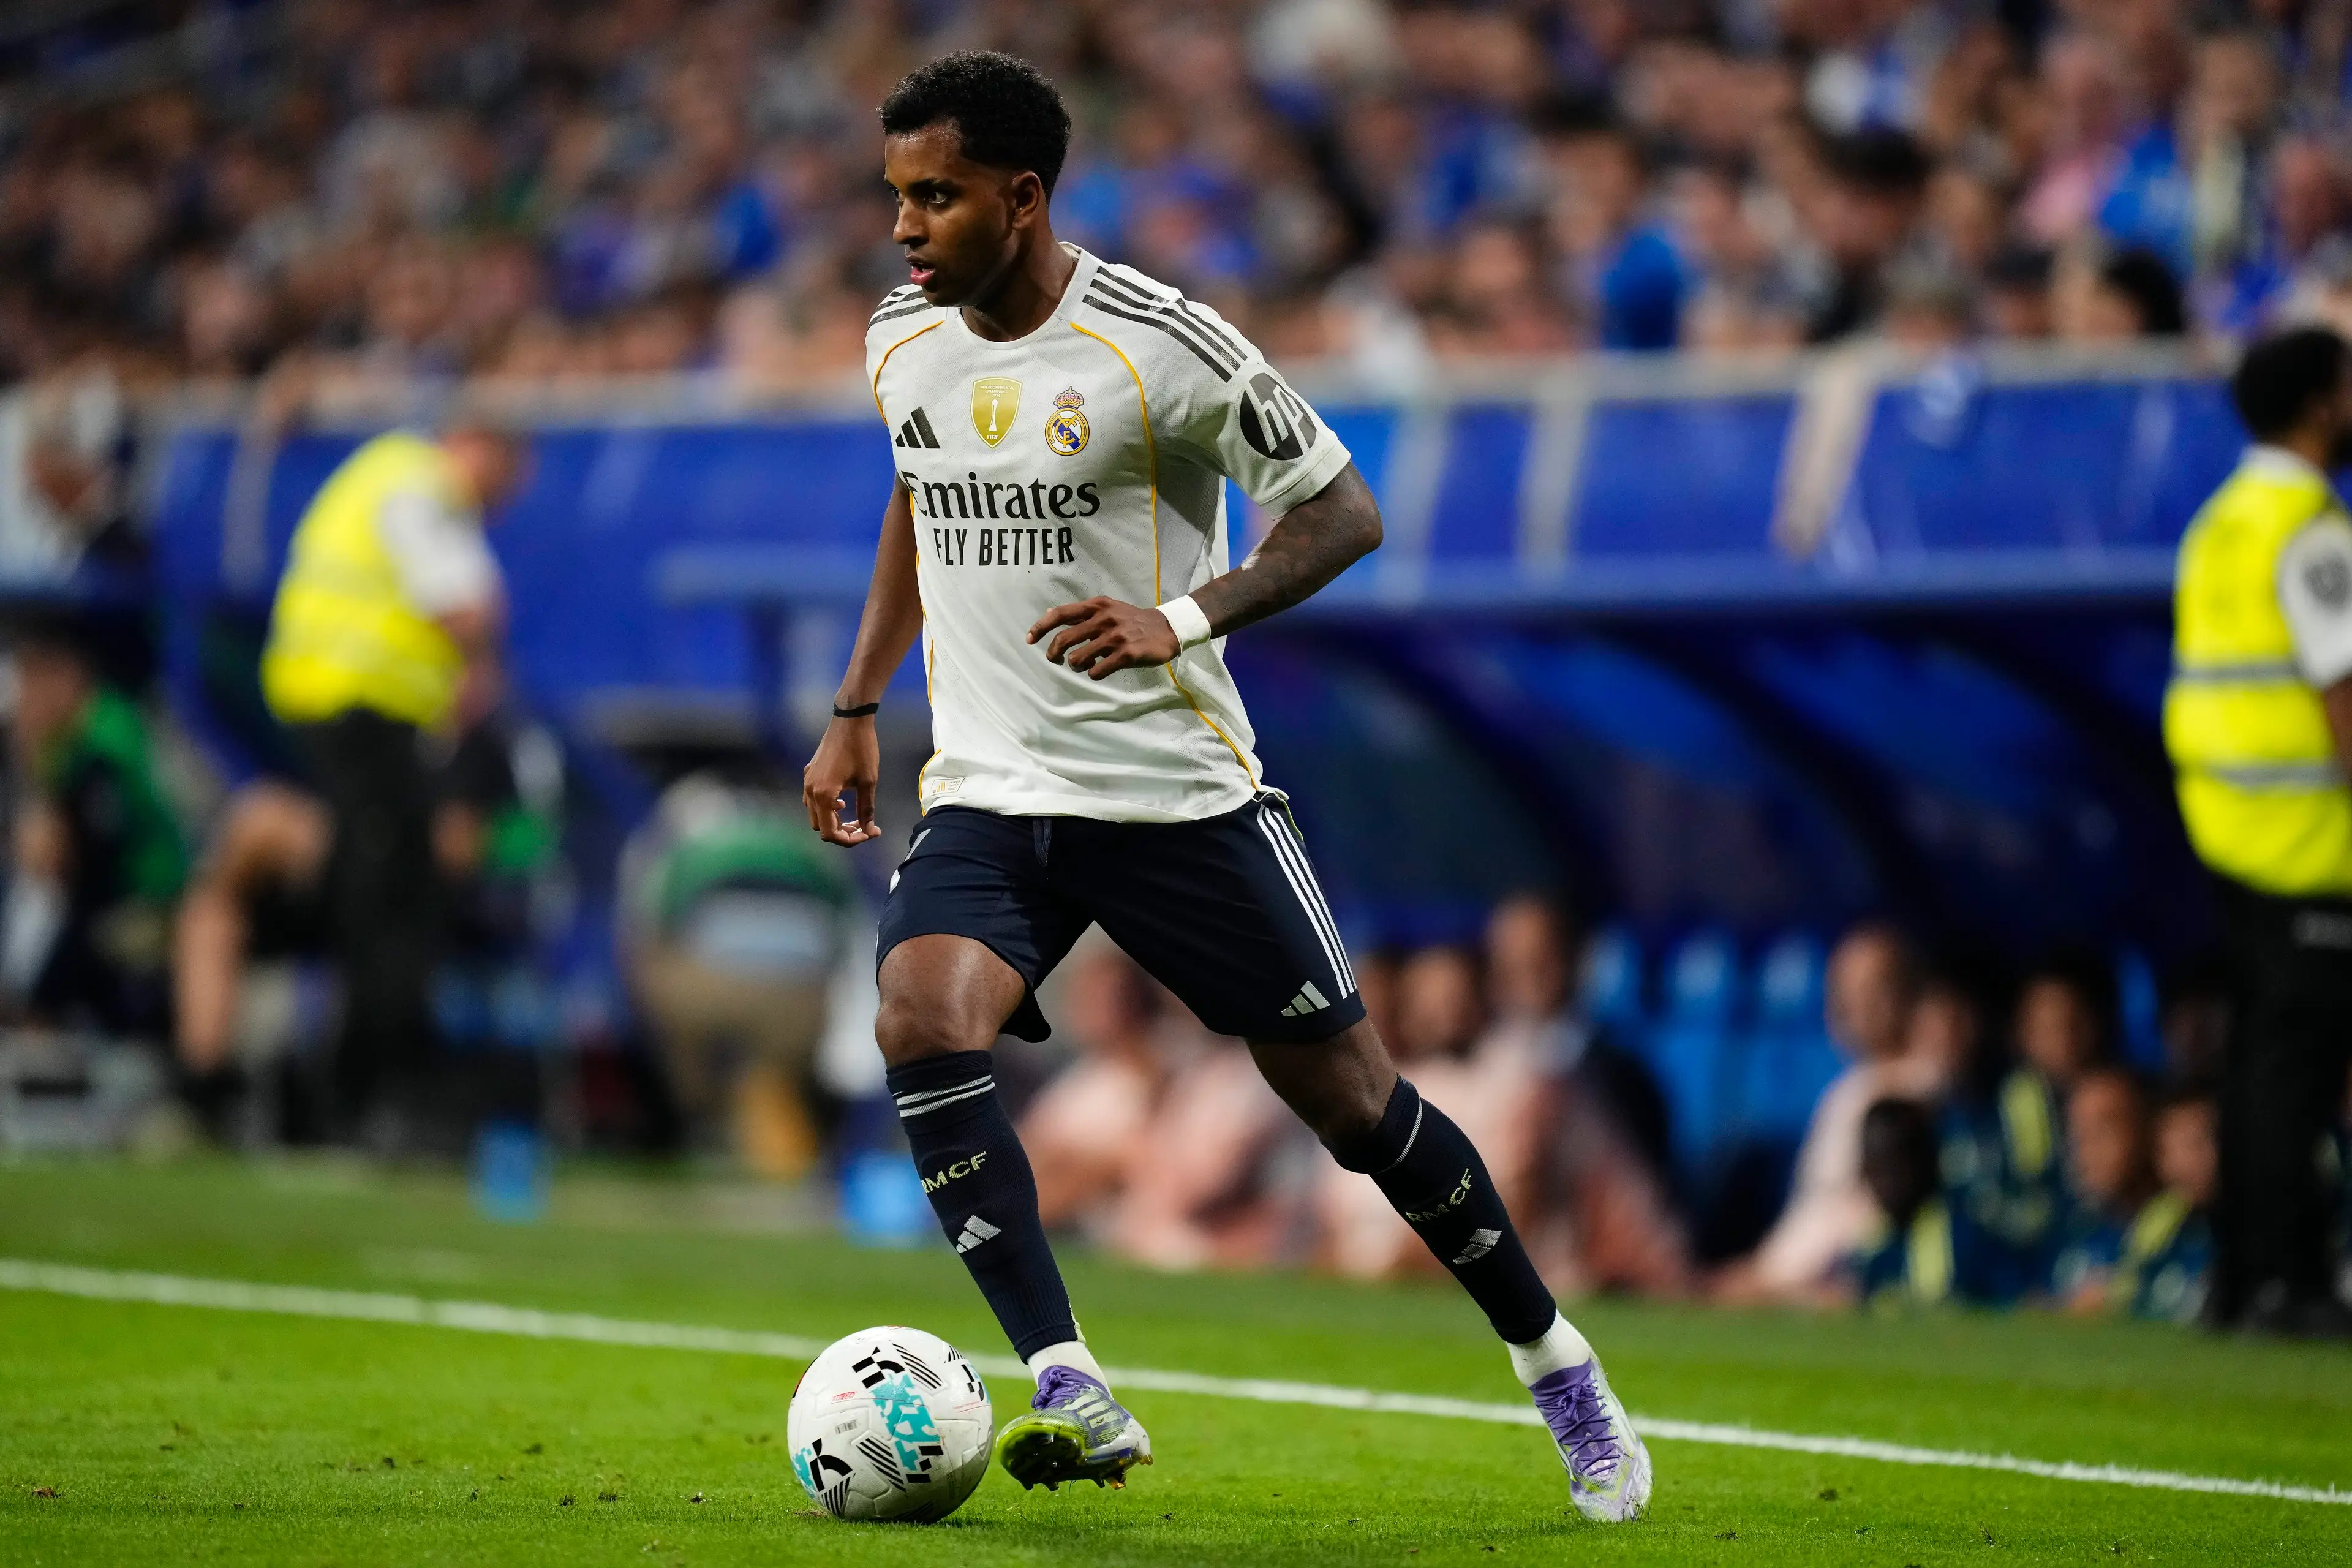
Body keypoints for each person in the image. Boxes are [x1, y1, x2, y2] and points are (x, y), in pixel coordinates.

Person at [800, 53, 1649, 1518]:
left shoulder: (1161, 344)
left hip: (1175, 797)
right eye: (897, 195)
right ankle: (1068, 1377)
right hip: (993, 786)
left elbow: (1343, 510)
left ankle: (1555, 1361)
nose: (904, 226)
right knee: (919, 1016)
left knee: (1356, 1106)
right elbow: (917, 488)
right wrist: (856, 702)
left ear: (1022, 197)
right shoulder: (902, 335)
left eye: (935, 196)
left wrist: (1183, 617)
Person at [257, 416, 525, 1137]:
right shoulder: (417, 482)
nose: (498, 500)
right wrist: (483, 658)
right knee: (390, 898)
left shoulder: (385, 474)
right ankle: (372, 1088)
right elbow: (460, 599)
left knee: (379, 888)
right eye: (503, 478)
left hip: (342, 705)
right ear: (474, 445)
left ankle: (356, 1086)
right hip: (360, 708)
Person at [2163, 324, 2352, 1336]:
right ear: (2321, 403)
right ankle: (2290, 1284)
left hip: (2229, 832)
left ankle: (2238, 1280)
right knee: (2294, 1072)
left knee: (2255, 1066)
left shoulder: (2220, 523)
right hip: (2310, 844)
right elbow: (2343, 691)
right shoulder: (2311, 530)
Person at [617, 771, 852, 1177]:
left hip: (708, 987)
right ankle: (758, 1115)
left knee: (657, 986)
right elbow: (844, 922)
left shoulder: (681, 822)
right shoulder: (808, 819)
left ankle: (698, 1122)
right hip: (799, 994)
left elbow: (644, 920)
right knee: (770, 1076)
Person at [1719, 920, 1924, 1303]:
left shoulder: (1920, 1094)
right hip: (1793, 1272)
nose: (1856, 1008)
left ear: (1910, 994)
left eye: (1874, 991)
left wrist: (1775, 1280)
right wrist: (1765, 1268)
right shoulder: (1846, 1091)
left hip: (1849, 1281)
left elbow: (1869, 1222)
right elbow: (1813, 1209)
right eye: (1845, 992)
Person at [0, 621, 185, 1038]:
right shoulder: (66, 737)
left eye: (34, 678)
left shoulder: (106, 733)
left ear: (67, 675)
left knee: (54, 918)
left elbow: (70, 854)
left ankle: (33, 1020)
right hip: (103, 895)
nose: (27, 696)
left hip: (148, 897)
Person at [1847, 1096, 2029, 1311]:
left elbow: (2021, 1302)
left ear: (1927, 1162)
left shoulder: (1966, 1240)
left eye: (1895, 1166)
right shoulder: (1874, 1248)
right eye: (1876, 1168)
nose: (1887, 1182)